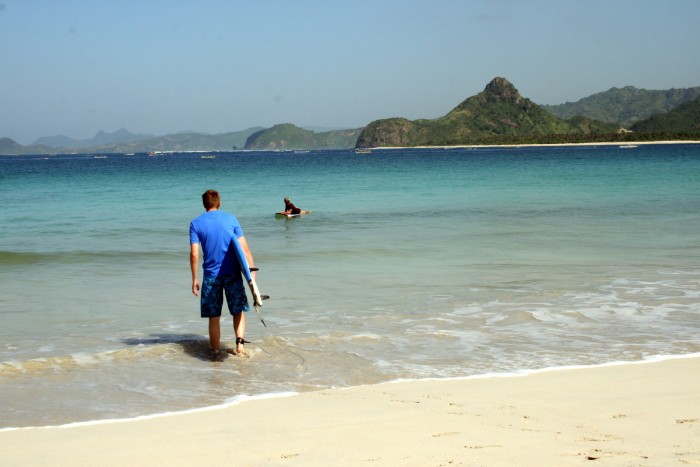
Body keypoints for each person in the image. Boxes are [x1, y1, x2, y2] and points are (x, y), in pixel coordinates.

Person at [189, 189, 255, 359]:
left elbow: (194, 254)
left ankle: (215, 351)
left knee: (214, 316)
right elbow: (244, 248)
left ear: (204, 204)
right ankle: (239, 347)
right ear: (219, 202)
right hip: (233, 273)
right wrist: (251, 274)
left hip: (211, 276)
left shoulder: (196, 224)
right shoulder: (231, 219)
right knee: (238, 311)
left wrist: (194, 277)